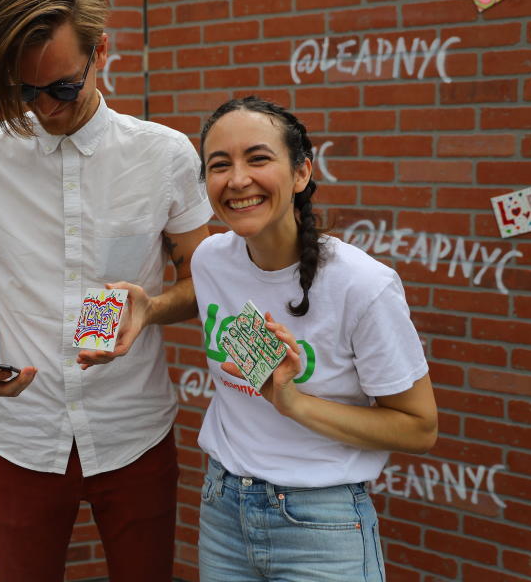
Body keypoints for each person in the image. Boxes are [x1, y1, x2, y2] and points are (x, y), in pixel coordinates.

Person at [0, 0, 212, 582]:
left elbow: (204, 282)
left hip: (134, 429)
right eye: (21, 91)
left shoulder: (163, 155)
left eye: (60, 88)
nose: (42, 108)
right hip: (23, 435)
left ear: (101, 52)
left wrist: (152, 308)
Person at [124, 96, 438, 581]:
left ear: (300, 173)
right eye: (219, 165)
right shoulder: (209, 261)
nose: (237, 179)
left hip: (322, 523)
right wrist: (151, 310)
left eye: (258, 158)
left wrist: (294, 403)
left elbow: (419, 427)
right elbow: (195, 298)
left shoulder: (363, 285)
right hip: (224, 507)